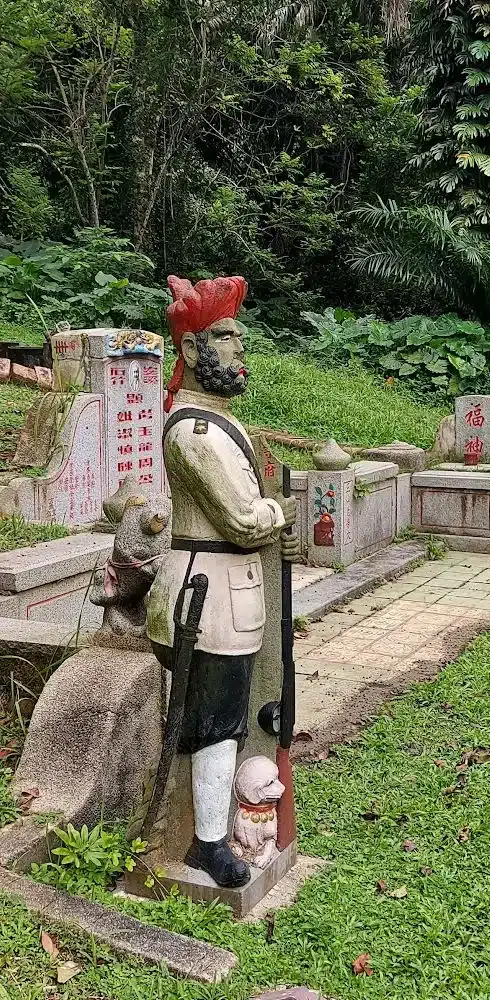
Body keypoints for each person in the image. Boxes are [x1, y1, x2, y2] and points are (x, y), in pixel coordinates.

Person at [146, 275, 298, 888]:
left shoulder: (221, 426)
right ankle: (206, 841)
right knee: (212, 726)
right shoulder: (194, 433)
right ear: (190, 350)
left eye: (238, 338)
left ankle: (220, 826)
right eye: (226, 338)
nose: (239, 351)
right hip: (206, 600)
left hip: (230, 595)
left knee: (228, 719)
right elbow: (242, 517)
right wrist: (280, 512)